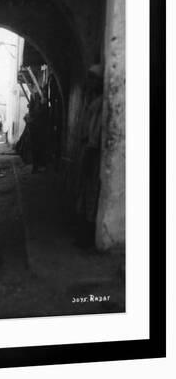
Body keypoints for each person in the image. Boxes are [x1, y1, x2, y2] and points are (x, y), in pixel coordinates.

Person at [75, 64, 103, 247]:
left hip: (93, 150)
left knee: (91, 190)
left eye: (93, 78)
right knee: (85, 190)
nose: (89, 82)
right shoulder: (91, 100)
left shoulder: (100, 103)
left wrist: (91, 147)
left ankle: (88, 235)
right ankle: (83, 231)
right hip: (88, 147)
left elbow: (96, 130)